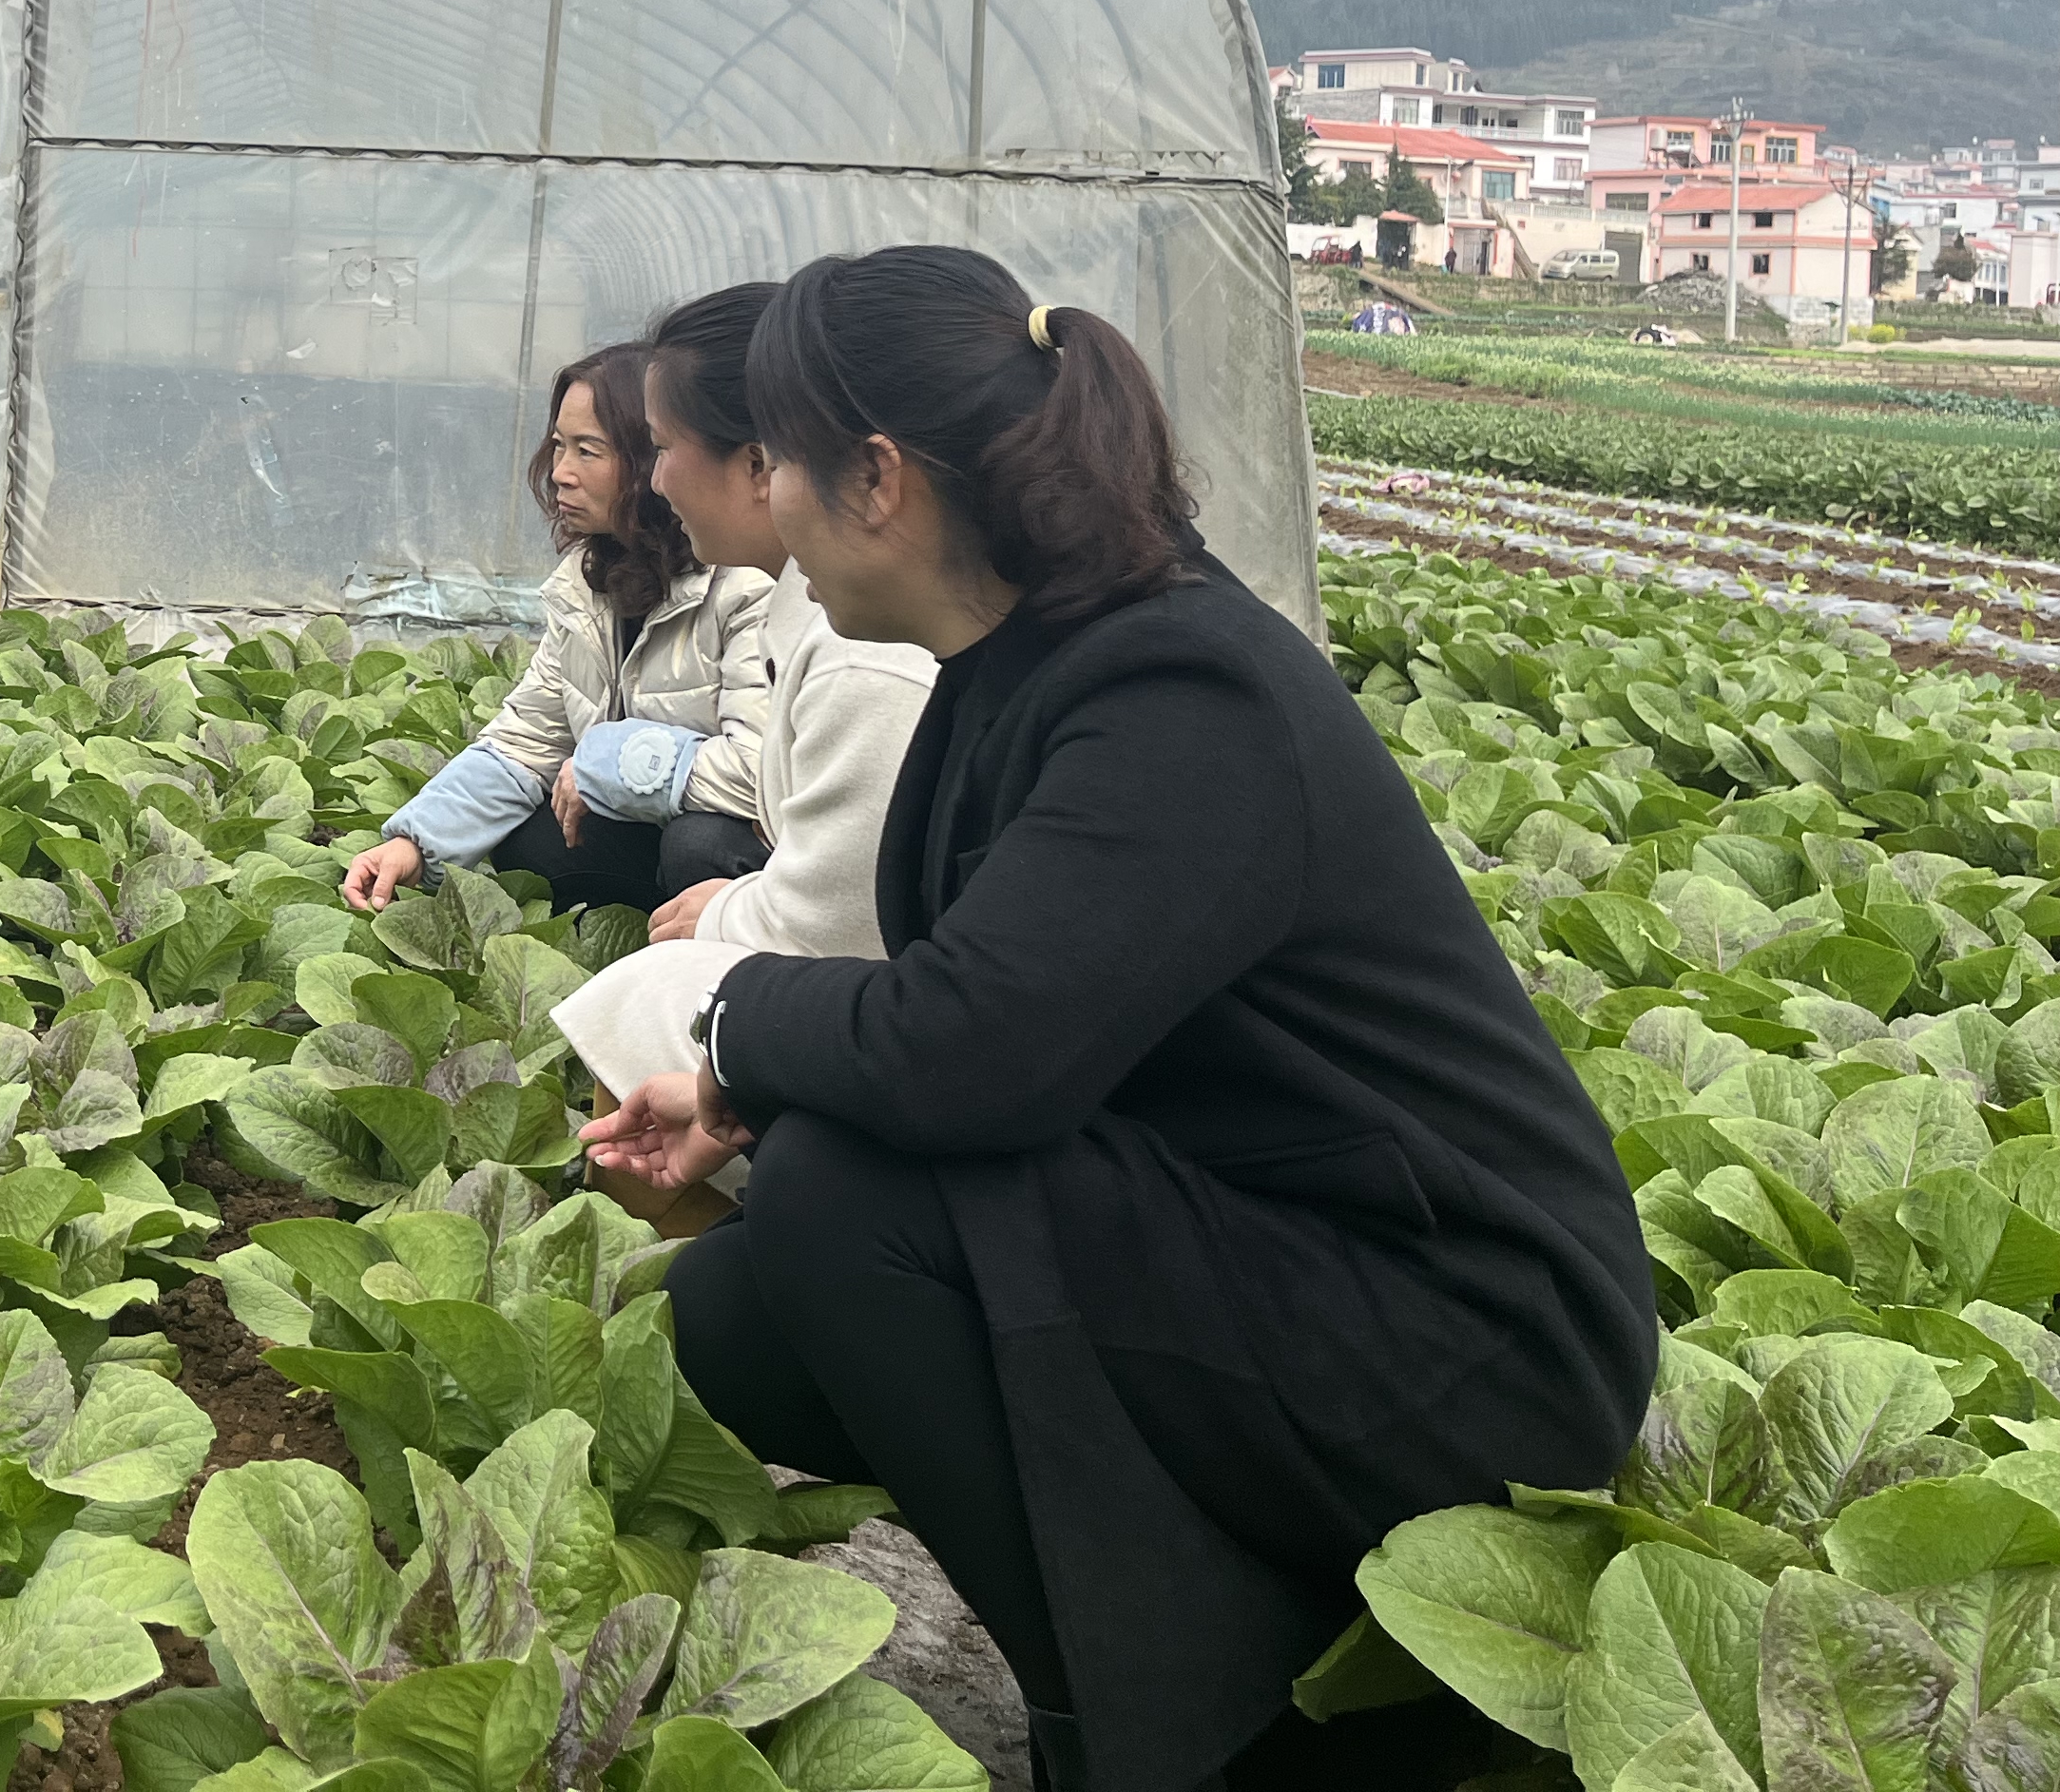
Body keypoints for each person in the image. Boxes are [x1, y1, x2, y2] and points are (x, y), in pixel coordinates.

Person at [580, 248, 1654, 1792]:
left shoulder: (1175, 685)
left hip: (1464, 1332)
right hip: (1279, 1235)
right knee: (747, 1306)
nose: (767, 510)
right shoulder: (1015, 663)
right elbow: (1009, 1018)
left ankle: (1185, 1733)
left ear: (875, 476)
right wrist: (740, 1097)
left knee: (842, 1202)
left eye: (781, 462)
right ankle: (1259, 1636)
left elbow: (973, 1042)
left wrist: (737, 1021)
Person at [546, 283, 934, 1233]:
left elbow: (846, 918)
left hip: (920, 1019)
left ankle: (696, 1259)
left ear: (759, 466)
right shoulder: (807, 595)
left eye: (666, 448)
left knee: (645, 992)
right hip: (903, 993)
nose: (659, 479)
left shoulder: (861, 640)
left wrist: (726, 913)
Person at [337, 343, 772, 920]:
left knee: (701, 845)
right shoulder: (587, 583)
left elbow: (762, 777)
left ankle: (727, 973)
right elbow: (528, 738)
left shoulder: (747, 583)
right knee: (532, 843)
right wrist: (414, 843)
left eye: (588, 451)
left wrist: (607, 762)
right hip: (656, 827)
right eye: (559, 446)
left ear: (652, 462)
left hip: (768, 851)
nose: (560, 473)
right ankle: (634, 940)